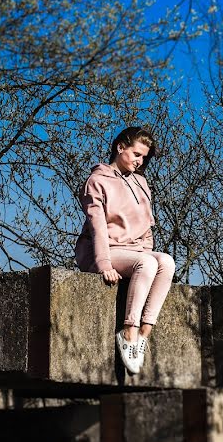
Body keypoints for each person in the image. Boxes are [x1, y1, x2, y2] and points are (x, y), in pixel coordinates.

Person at [75, 126, 175, 374]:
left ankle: (144, 332)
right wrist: (104, 265)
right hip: (104, 251)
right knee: (148, 264)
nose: (140, 161)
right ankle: (129, 332)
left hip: (132, 250)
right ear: (120, 148)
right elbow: (97, 227)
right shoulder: (97, 181)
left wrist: (145, 250)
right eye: (136, 154)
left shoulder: (141, 183)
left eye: (144, 157)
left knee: (166, 261)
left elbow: (147, 226)